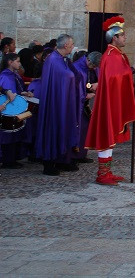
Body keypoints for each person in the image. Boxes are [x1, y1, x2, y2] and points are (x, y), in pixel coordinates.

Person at [85, 16, 135, 185]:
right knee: (107, 134)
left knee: (112, 136)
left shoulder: (117, 54)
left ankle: (107, 171)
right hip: (109, 103)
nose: (125, 37)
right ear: (114, 38)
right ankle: (102, 174)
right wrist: (131, 69)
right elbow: (112, 77)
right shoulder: (110, 55)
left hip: (116, 100)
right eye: (122, 35)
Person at [35, 34, 83, 176]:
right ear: (65, 45)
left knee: (64, 127)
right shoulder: (54, 61)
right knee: (54, 128)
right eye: (72, 44)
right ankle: (50, 162)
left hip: (64, 101)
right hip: (55, 103)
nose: (73, 46)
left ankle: (62, 159)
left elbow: (73, 75)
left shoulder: (63, 59)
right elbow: (65, 77)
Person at [0, 53, 35, 168]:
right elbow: (8, 93)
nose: (19, 63)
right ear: (10, 62)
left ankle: (13, 158)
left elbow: (16, 91)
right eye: (17, 61)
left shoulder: (14, 74)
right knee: (9, 134)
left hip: (15, 107)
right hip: (9, 110)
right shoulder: (6, 76)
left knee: (15, 133)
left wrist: (23, 93)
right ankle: (8, 160)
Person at [72, 51, 101, 163]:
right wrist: (85, 95)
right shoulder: (77, 68)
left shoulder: (92, 68)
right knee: (77, 129)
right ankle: (74, 155)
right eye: (92, 65)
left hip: (86, 103)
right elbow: (74, 89)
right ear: (88, 60)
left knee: (85, 129)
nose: (93, 68)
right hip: (78, 103)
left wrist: (96, 85)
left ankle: (81, 154)